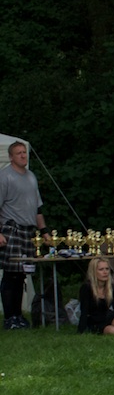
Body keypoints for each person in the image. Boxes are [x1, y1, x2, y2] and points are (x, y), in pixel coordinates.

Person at [1, 140, 48, 330]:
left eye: (24, 152)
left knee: (21, 275)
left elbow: (37, 208)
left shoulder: (31, 177)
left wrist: (44, 231)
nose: (23, 155)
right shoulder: (5, 177)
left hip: (29, 231)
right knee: (10, 274)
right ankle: (9, 318)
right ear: (11, 157)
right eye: (18, 153)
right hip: (11, 229)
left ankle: (18, 316)